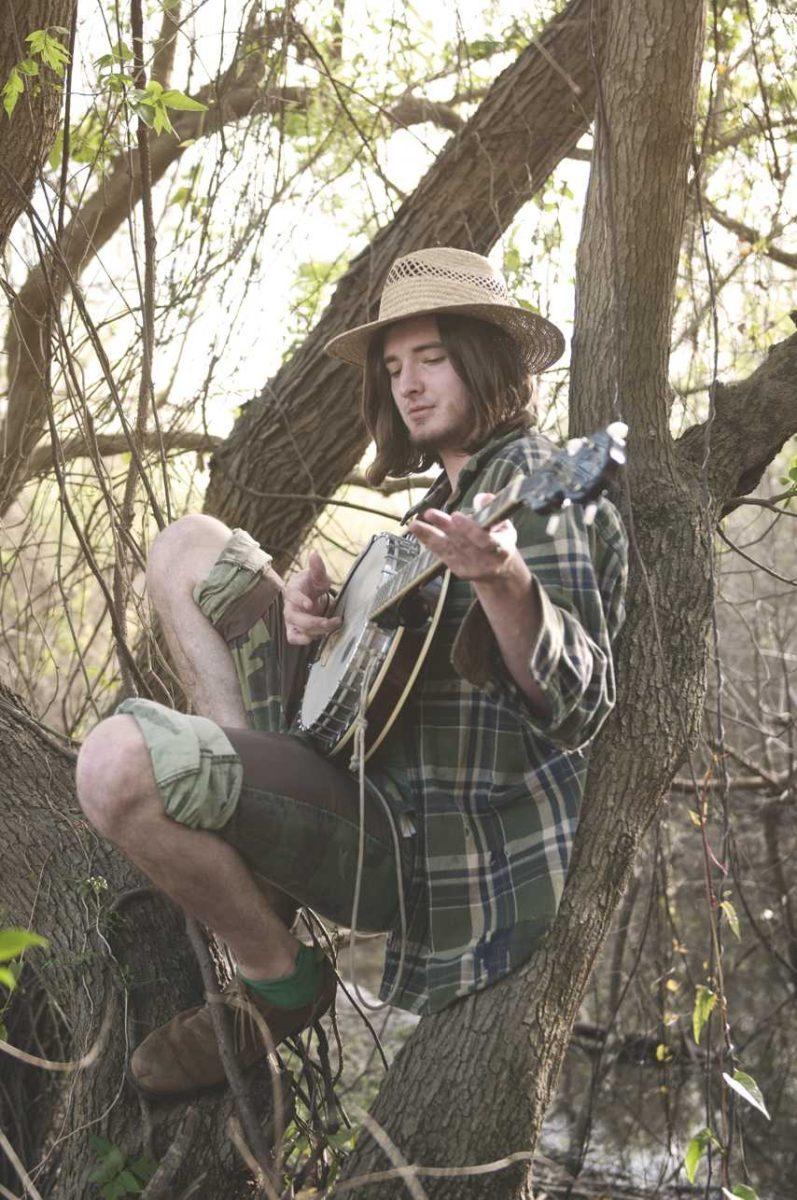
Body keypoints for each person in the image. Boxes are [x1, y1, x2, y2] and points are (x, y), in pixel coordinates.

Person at [75, 246, 627, 1099]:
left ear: (487, 360)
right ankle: (244, 784)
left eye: (432, 358)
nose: (408, 384)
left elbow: (582, 701)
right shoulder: (433, 509)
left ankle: (278, 979)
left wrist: (505, 580)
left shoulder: (540, 491)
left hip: (401, 831)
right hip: (343, 748)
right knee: (189, 545)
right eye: (394, 366)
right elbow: (387, 671)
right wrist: (320, 624)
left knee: (114, 764)